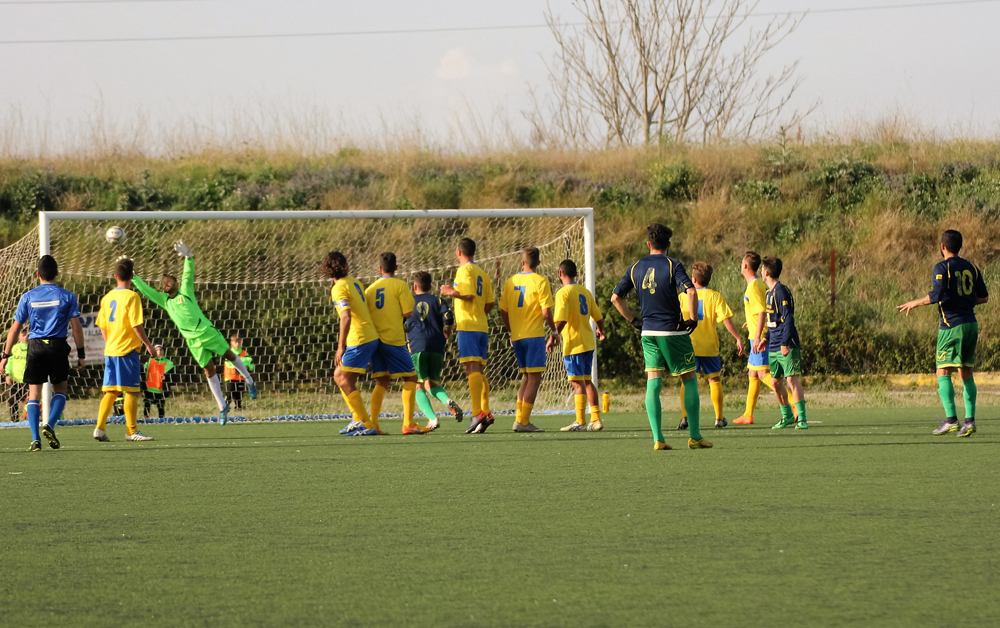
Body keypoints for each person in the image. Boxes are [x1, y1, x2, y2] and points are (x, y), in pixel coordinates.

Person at [610, 223, 712, 451]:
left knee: (653, 383)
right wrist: (693, 319)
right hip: (673, 331)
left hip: (649, 332)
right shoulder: (672, 264)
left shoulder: (635, 267)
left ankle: (658, 439)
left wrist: (633, 320)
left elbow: (615, 297)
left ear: (648, 244)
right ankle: (695, 437)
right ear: (668, 245)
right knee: (689, 378)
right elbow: (692, 291)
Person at [132, 241, 256, 425]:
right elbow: (147, 290)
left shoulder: (185, 292)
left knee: (229, 355)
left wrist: (189, 257)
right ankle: (222, 407)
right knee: (208, 370)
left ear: (176, 283)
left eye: (169, 282)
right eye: (163, 283)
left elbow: (187, 274)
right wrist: (133, 276)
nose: (165, 285)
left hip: (207, 332)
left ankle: (249, 379)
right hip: (193, 341)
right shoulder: (165, 301)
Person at [898, 229, 988, 437]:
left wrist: (915, 302)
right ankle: (970, 421)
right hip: (971, 325)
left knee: (942, 370)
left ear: (942, 247)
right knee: (966, 373)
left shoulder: (942, 266)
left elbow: (936, 295)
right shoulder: (972, 267)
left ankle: (951, 421)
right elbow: (983, 298)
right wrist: (963, 300)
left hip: (951, 327)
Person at [0, 255, 85, 451]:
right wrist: (81, 355)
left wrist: (4, 356)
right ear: (56, 273)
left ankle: (35, 439)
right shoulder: (67, 296)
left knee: (33, 395)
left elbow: (14, 329)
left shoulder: (28, 297)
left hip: (35, 346)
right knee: (61, 391)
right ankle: (50, 425)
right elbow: (77, 328)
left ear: (38, 274)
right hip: (57, 346)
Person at [94, 257, 156, 442]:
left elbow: (102, 325)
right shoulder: (132, 296)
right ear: (132, 276)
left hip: (111, 350)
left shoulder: (107, 298)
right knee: (132, 391)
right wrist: (148, 344)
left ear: (115, 276)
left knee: (111, 391)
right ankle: (131, 431)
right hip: (127, 350)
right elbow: (136, 325)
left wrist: (109, 341)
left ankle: (100, 429)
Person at [365, 252, 427, 435]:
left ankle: (373, 424)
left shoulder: (371, 289)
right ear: (396, 268)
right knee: (411, 378)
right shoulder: (400, 285)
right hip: (393, 339)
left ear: (379, 268)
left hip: (376, 340)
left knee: (382, 381)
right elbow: (409, 312)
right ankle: (408, 423)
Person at [677, 262, 744, 429]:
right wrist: (737, 337)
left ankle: (685, 418)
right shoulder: (715, 297)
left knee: (686, 381)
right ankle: (719, 419)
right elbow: (726, 320)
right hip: (709, 346)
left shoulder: (683, 296)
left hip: (688, 345)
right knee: (714, 380)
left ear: (693, 279)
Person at [440, 238, 496, 434]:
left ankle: (477, 413)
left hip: (468, 326)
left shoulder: (464, 271)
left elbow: (469, 295)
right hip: (481, 326)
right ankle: (486, 412)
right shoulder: (483, 273)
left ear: (458, 252)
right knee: (479, 371)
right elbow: (489, 304)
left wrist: (450, 292)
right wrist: (478, 312)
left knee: (471, 369)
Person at [321, 251, 378, 437]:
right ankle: (358, 418)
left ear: (327, 269)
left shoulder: (338, 288)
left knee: (342, 379)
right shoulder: (354, 282)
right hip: (369, 335)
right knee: (341, 376)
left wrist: (340, 346)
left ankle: (367, 424)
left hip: (359, 338)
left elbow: (345, 316)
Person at [499, 247, 556, 433]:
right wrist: (554, 331)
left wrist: (511, 331)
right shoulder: (541, 281)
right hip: (534, 335)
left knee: (526, 377)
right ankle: (523, 422)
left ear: (522, 262)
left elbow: (504, 311)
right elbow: (546, 311)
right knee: (534, 378)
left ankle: (519, 419)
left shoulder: (510, 281)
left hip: (517, 336)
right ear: (539, 263)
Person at [547, 259, 606, 432]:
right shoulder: (585, 292)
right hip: (588, 342)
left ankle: (580, 421)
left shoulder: (563, 293)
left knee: (577, 384)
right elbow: (598, 316)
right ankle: (595, 419)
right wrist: (601, 331)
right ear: (576, 274)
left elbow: (562, 319)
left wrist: (554, 335)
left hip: (573, 344)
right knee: (587, 381)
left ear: (560, 273)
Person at [755, 256, 808, 430]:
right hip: (773, 345)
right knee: (776, 382)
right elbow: (774, 321)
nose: (761, 272)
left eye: (762, 269)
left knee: (791, 379)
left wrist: (785, 343)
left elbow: (788, 319)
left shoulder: (781, 291)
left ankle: (801, 418)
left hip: (787, 344)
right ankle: (786, 416)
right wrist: (766, 339)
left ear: (767, 272)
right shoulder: (769, 293)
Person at [407, 271, 464, 431]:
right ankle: (447, 401)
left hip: (417, 346)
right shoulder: (438, 300)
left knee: (418, 385)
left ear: (415, 286)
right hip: (437, 345)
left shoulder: (409, 301)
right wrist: (448, 332)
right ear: (431, 286)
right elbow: (449, 318)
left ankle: (432, 419)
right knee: (431, 384)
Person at [734, 251, 776, 425]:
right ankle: (748, 414)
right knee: (753, 372)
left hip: (758, 337)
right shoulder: (757, 283)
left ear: (745, 266)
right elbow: (757, 310)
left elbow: (761, 312)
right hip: (755, 333)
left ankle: (792, 403)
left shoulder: (753, 286)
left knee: (763, 374)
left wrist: (758, 336)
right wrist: (749, 323)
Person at [224, 334, 255, 411]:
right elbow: (229, 363)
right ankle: (225, 407)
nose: (237, 344)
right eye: (235, 342)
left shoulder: (245, 353)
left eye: (239, 342)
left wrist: (247, 367)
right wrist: (242, 363)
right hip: (230, 377)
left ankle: (238, 407)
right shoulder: (228, 352)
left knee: (239, 394)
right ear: (231, 343)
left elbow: (251, 363)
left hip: (240, 377)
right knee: (229, 393)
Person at [4, 327, 28, 423]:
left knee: (30, 402)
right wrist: (7, 374)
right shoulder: (15, 348)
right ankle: (15, 421)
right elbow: (10, 362)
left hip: (29, 381)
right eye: (23, 335)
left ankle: (29, 420)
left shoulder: (33, 348)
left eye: (27, 335)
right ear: (19, 336)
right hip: (16, 380)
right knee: (12, 400)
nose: (26, 337)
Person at [144, 345, 174, 419]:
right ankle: (146, 419)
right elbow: (144, 371)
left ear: (164, 351)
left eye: (161, 350)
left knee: (160, 406)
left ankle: (161, 420)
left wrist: (166, 377)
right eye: (157, 350)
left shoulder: (169, 363)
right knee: (147, 404)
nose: (159, 352)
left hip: (160, 389)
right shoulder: (150, 361)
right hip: (149, 387)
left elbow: (173, 376)